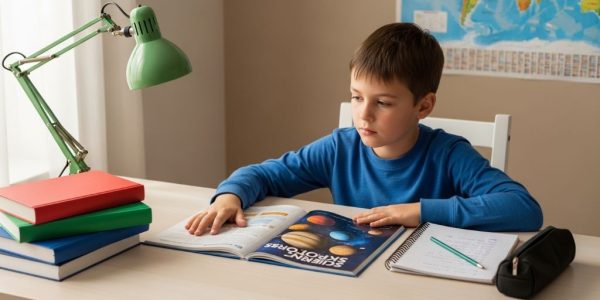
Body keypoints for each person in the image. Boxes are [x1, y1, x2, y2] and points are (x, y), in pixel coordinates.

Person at [185, 23, 543, 236]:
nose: (363, 115)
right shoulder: (340, 148)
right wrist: (230, 196)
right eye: (356, 97)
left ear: (424, 106)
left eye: (383, 103)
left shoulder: (448, 154)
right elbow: (264, 174)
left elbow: (523, 208)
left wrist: (419, 211)